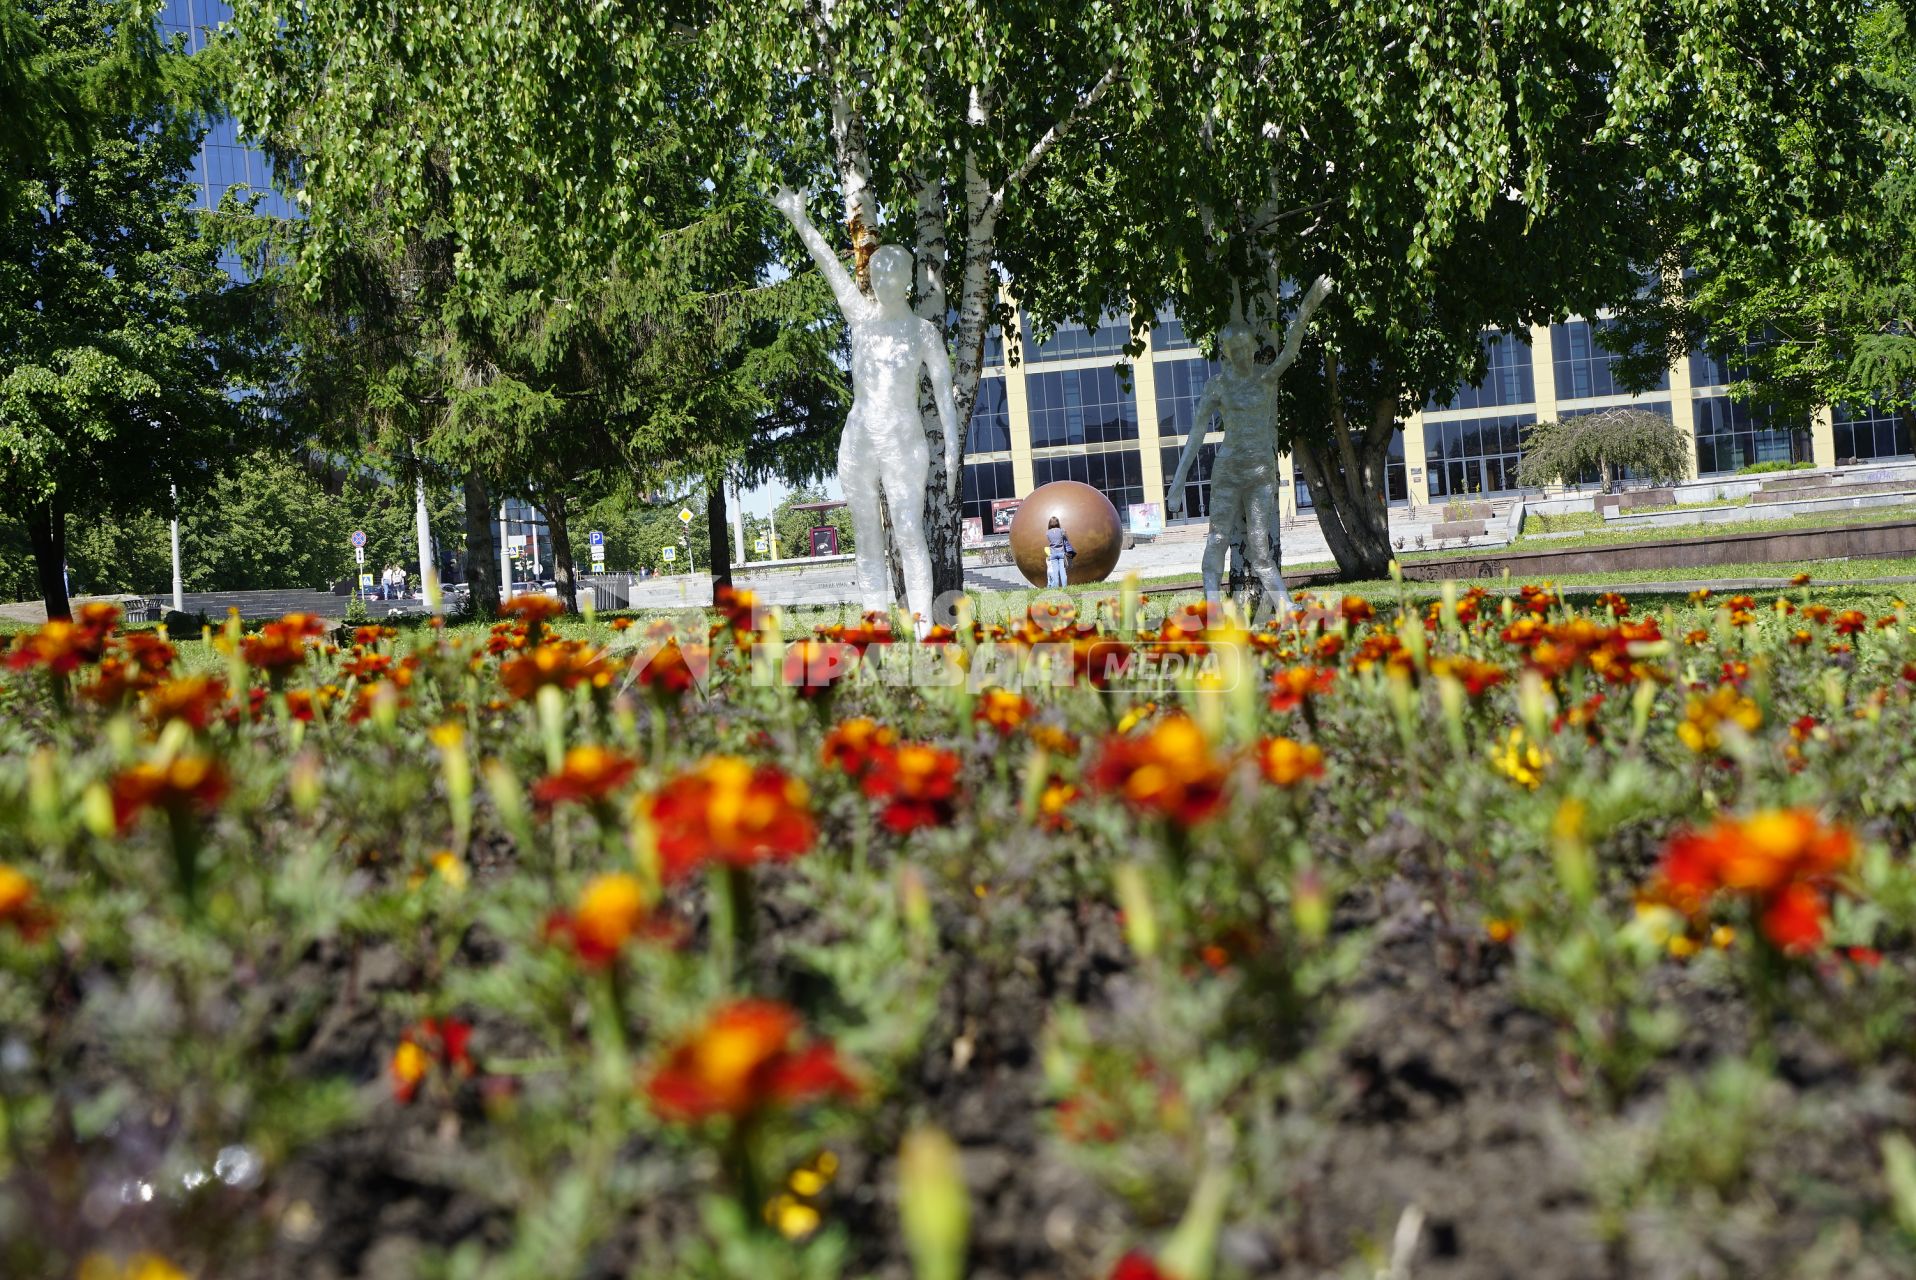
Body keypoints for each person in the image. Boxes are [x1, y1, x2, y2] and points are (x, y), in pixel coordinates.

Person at [769, 185, 959, 634]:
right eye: (880, 275)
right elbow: (829, 266)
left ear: (910, 280)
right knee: (867, 537)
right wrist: (800, 219)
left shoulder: (923, 333)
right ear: (873, 279)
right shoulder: (859, 317)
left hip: (903, 441)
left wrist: (951, 449)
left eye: (897, 276)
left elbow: (945, 394)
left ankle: (922, 628)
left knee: (910, 532)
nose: (888, 283)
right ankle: (875, 626)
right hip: (859, 439)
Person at [1165, 276, 1334, 622]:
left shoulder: (1264, 378)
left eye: (1246, 348)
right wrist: (1178, 482)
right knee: (1218, 538)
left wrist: (1307, 307)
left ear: (1253, 348)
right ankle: (1212, 609)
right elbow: (1196, 434)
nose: (1242, 355)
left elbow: (1290, 350)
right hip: (1228, 473)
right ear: (1226, 353)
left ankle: (1285, 607)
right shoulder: (1218, 386)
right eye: (1235, 350)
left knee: (1260, 550)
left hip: (1260, 474)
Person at [1045, 515, 1074, 588]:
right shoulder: (1062, 531)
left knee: (1055, 572)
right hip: (1061, 553)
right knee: (1062, 571)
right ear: (1058, 523)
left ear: (1050, 523)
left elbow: (1050, 540)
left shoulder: (1047, 533)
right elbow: (1066, 539)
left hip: (1053, 554)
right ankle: (1064, 587)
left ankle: (1056, 587)